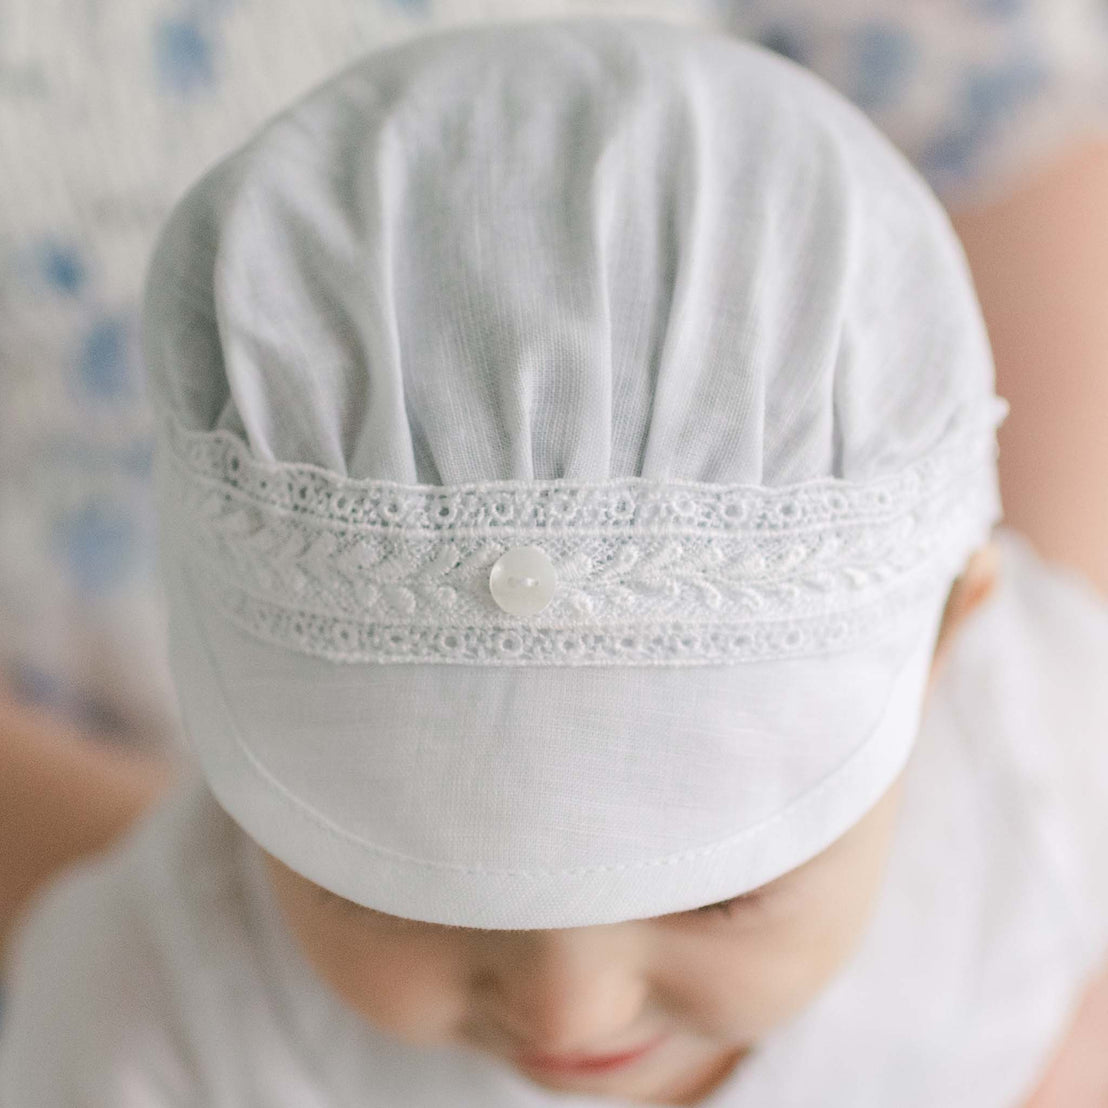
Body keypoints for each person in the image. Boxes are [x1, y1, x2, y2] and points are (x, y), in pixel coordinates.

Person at [2, 16, 1107, 1107]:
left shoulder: (1036, 761)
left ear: (942, 648)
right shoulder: (165, 1018)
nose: (565, 1010)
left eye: (726, 889)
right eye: (409, 882)